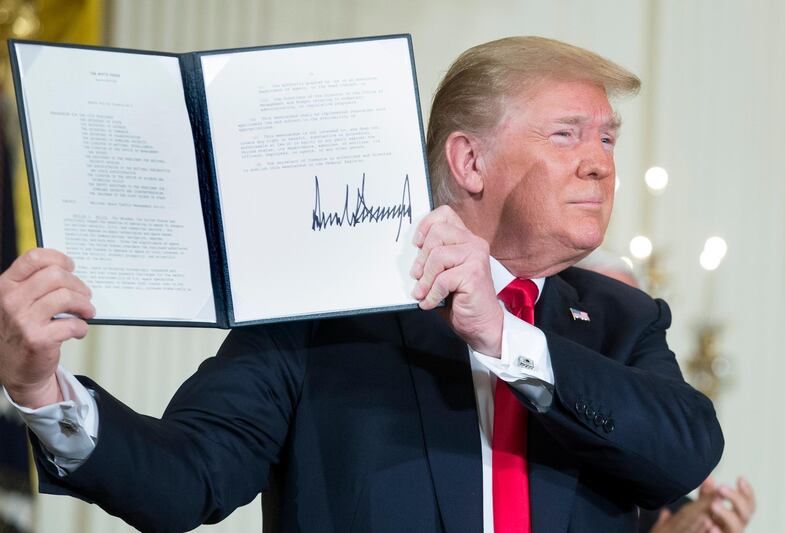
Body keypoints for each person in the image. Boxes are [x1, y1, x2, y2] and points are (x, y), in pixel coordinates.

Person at [0, 36, 723, 532]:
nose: (599, 162)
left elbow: (684, 451)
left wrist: (505, 336)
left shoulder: (625, 319)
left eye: (607, 138)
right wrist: (40, 392)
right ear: (469, 162)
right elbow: (187, 479)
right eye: (566, 134)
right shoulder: (323, 309)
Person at [576, 250, 756, 533]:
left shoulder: (672, 501)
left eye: (629, 322)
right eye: (602, 316)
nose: (619, 339)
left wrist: (714, 521)